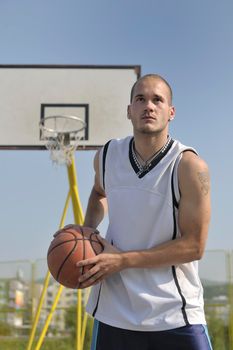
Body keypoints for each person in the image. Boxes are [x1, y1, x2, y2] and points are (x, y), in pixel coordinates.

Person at [76, 74, 212, 349]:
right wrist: (85, 233)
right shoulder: (107, 155)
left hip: (174, 312)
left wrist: (123, 260)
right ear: (129, 110)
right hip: (115, 311)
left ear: (170, 112)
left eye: (157, 100)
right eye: (140, 99)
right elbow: (99, 192)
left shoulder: (189, 166)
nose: (148, 106)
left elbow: (193, 247)